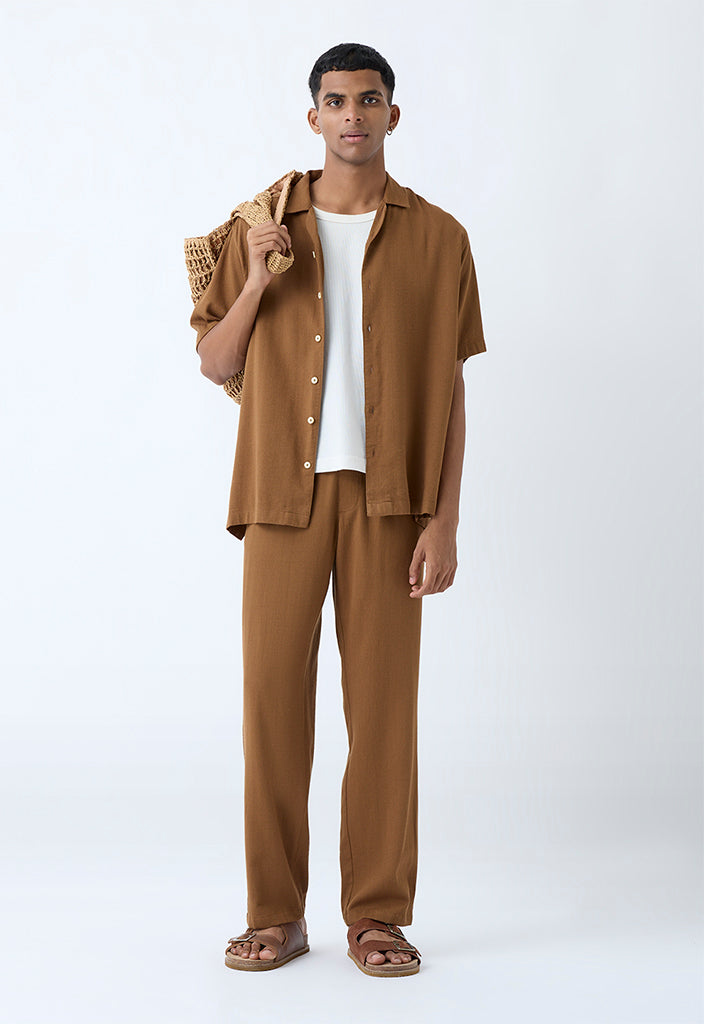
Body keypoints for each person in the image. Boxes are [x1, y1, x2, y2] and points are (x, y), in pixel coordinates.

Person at [190, 42, 487, 977]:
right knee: (272, 708)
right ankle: (274, 913)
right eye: (334, 100)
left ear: (392, 114)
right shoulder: (259, 227)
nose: (351, 114)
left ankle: (378, 917)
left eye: (367, 99)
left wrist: (445, 520)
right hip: (281, 495)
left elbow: (451, 389)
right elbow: (215, 361)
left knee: (385, 713)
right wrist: (255, 282)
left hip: (392, 502)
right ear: (312, 116)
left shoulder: (441, 239)